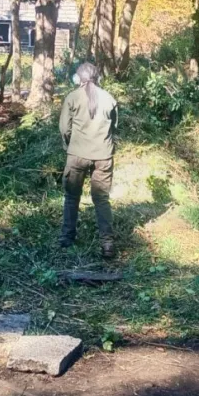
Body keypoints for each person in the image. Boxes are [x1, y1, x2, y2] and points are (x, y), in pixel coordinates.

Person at [59, 62, 118, 259]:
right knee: (101, 199)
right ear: (97, 76)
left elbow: (64, 129)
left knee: (71, 197)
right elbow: (114, 128)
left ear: (79, 78)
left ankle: (67, 238)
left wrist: (71, 145)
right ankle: (107, 243)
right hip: (103, 155)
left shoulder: (72, 97)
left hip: (77, 154)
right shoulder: (109, 98)